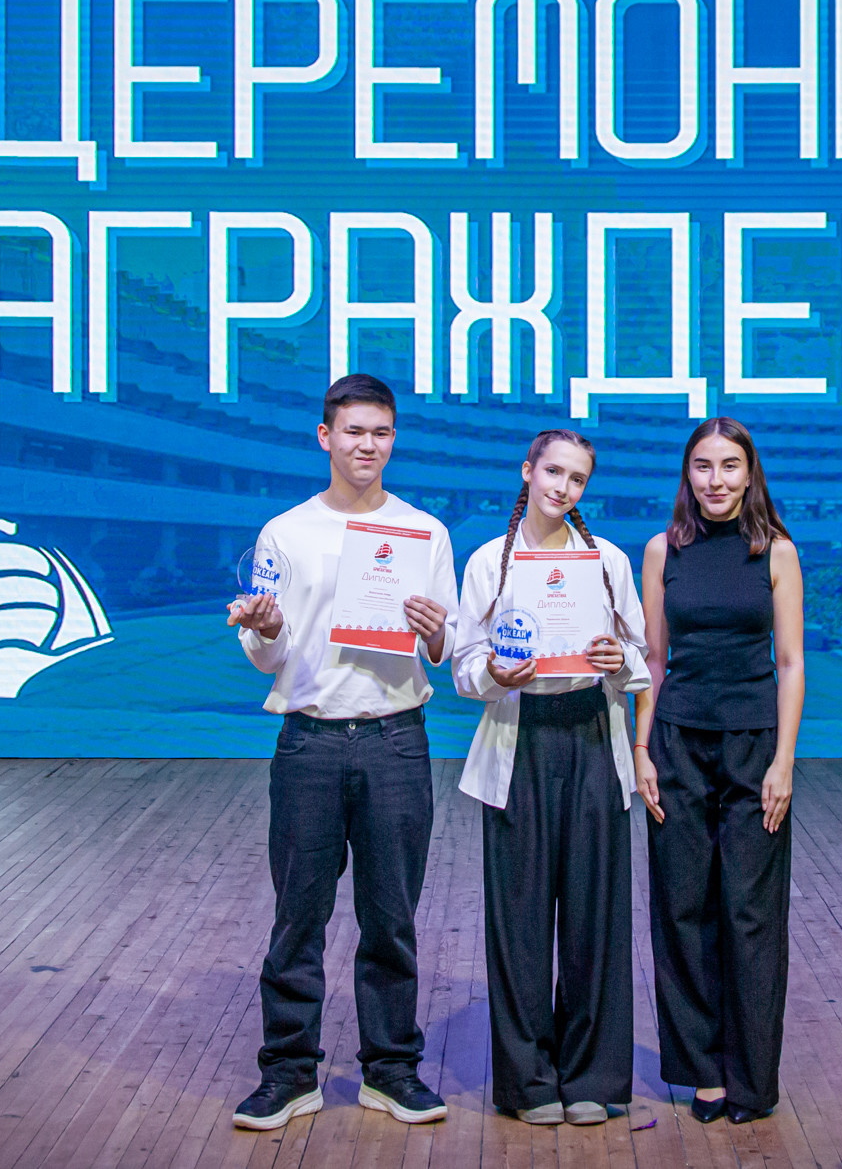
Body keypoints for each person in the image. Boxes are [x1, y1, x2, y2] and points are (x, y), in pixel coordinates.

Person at [224, 373, 460, 1131]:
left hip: (396, 739)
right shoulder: (285, 532)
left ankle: (391, 1069)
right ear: (325, 437)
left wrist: (436, 632)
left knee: (391, 918)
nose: (368, 445)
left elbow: (447, 646)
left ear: (394, 440)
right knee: (299, 916)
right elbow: (270, 655)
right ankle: (288, 1072)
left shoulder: (424, 531)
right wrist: (264, 628)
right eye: (354, 431)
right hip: (310, 741)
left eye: (381, 433)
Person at [451, 430, 649, 1127]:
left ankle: (592, 1075)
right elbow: (464, 665)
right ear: (527, 471)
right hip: (520, 739)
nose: (563, 488)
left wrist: (617, 660)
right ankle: (529, 1080)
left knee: (597, 917)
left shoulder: (608, 561)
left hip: (593, 737)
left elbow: (640, 659)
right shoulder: (490, 561)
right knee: (520, 920)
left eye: (577, 478)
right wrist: (493, 672)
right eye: (553, 472)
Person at [633, 417, 805, 1126]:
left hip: (754, 749)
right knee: (682, 908)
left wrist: (783, 762)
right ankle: (703, 1072)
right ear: (688, 473)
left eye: (730, 465)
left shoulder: (777, 551)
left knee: (750, 913)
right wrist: (641, 749)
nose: (716, 479)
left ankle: (751, 1078)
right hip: (677, 744)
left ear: (749, 472)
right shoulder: (661, 549)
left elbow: (790, 662)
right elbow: (653, 660)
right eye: (703, 466)